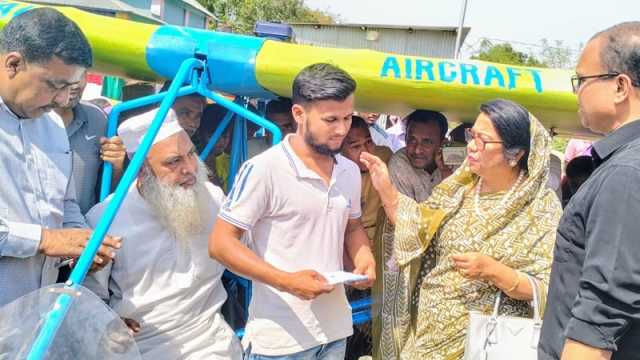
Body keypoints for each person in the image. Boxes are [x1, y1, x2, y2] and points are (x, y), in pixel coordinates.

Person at [361, 99, 562, 359]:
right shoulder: (460, 187)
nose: (471, 146)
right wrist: (387, 190)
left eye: (483, 140)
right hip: (432, 335)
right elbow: (418, 227)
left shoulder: (540, 208)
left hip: (489, 343)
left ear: (516, 154)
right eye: (471, 136)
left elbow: (551, 288)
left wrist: (494, 272)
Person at [209, 63, 376, 359]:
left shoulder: (349, 171)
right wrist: (287, 281)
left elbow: (352, 226)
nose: (342, 129)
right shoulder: (264, 169)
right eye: (331, 120)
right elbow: (221, 244)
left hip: (335, 332)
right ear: (299, 114)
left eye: (348, 118)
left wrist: (363, 256)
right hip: (281, 341)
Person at [85, 109, 241, 359]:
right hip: (140, 348)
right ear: (142, 170)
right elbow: (89, 299)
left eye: (190, 153)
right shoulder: (105, 220)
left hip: (212, 343)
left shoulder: (212, 198)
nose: (190, 168)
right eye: (173, 161)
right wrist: (107, 323)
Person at [0, 8, 120, 306]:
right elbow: (48, 237)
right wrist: (45, 240)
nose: (63, 100)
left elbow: (63, 205)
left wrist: (81, 243)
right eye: (54, 85)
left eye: (70, 87)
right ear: (13, 64)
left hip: (31, 315)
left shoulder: (52, 125)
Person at [539, 22, 640, 360]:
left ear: (620, 87)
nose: (576, 92)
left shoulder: (626, 173)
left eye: (581, 81)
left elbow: (602, 313)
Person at [339, 115, 392, 360]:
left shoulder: (383, 159)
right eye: (355, 146)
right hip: (348, 254)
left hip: (379, 251)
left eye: (368, 143)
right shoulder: (338, 173)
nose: (365, 151)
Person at [54, 71, 126, 215]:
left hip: (83, 232)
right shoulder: (21, 119)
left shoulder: (98, 118)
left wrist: (116, 167)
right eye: (67, 70)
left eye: (80, 73)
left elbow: (106, 191)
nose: (75, 84)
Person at [388, 110, 452, 203]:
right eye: (412, 140)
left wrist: (446, 173)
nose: (417, 150)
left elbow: (460, 210)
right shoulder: (399, 164)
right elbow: (404, 215)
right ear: (405, 138)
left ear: (443, 143)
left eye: (427, 142)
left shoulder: (455, 162)